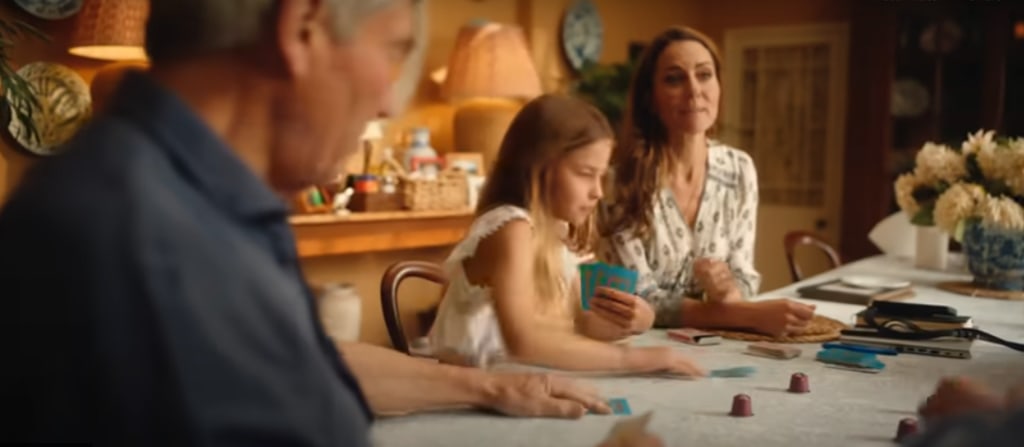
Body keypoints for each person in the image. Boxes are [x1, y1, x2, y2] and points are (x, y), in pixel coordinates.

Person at [0, 1, 612, 444]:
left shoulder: (197, 196)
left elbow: (307, 357)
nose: (390, 103)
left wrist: (492, 388)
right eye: (393, 50)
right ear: (301, 28)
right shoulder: (138, 243)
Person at [428, 93, 703, 377]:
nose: (598, 191)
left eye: (601, 176)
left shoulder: (556, 232)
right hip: (470, 393)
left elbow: (579, 324)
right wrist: (632, 359)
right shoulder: (511, 229)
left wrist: (635, 321)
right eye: (585, 173)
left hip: (521, 388)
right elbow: (524, 341)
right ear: (539, 169)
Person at [596, 25, 815, 336]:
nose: (694, 90)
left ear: (719, 85)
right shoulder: (619, 181)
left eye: (704, 74)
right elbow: (638, 300)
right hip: (640, 348)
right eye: (674, 79)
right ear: (650, 98)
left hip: (718, 344)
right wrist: (746, 316)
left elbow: (745, 276)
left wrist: (728, 291)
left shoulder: (739, 169)